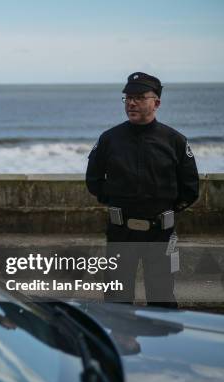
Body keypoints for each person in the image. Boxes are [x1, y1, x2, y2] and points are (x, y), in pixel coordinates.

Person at [86, 72, 199, 307]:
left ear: (156, 103)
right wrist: (117, 200)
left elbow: (190, 189)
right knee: (116, 299)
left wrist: (163, 208)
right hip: (120, 232)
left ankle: (163, 344)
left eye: (138, 97)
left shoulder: (175, 141)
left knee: (162, 299)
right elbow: (93, 180)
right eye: (127, 97)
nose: (131, 103)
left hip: (160, 234)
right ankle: (122, 343)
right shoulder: (109, 139)